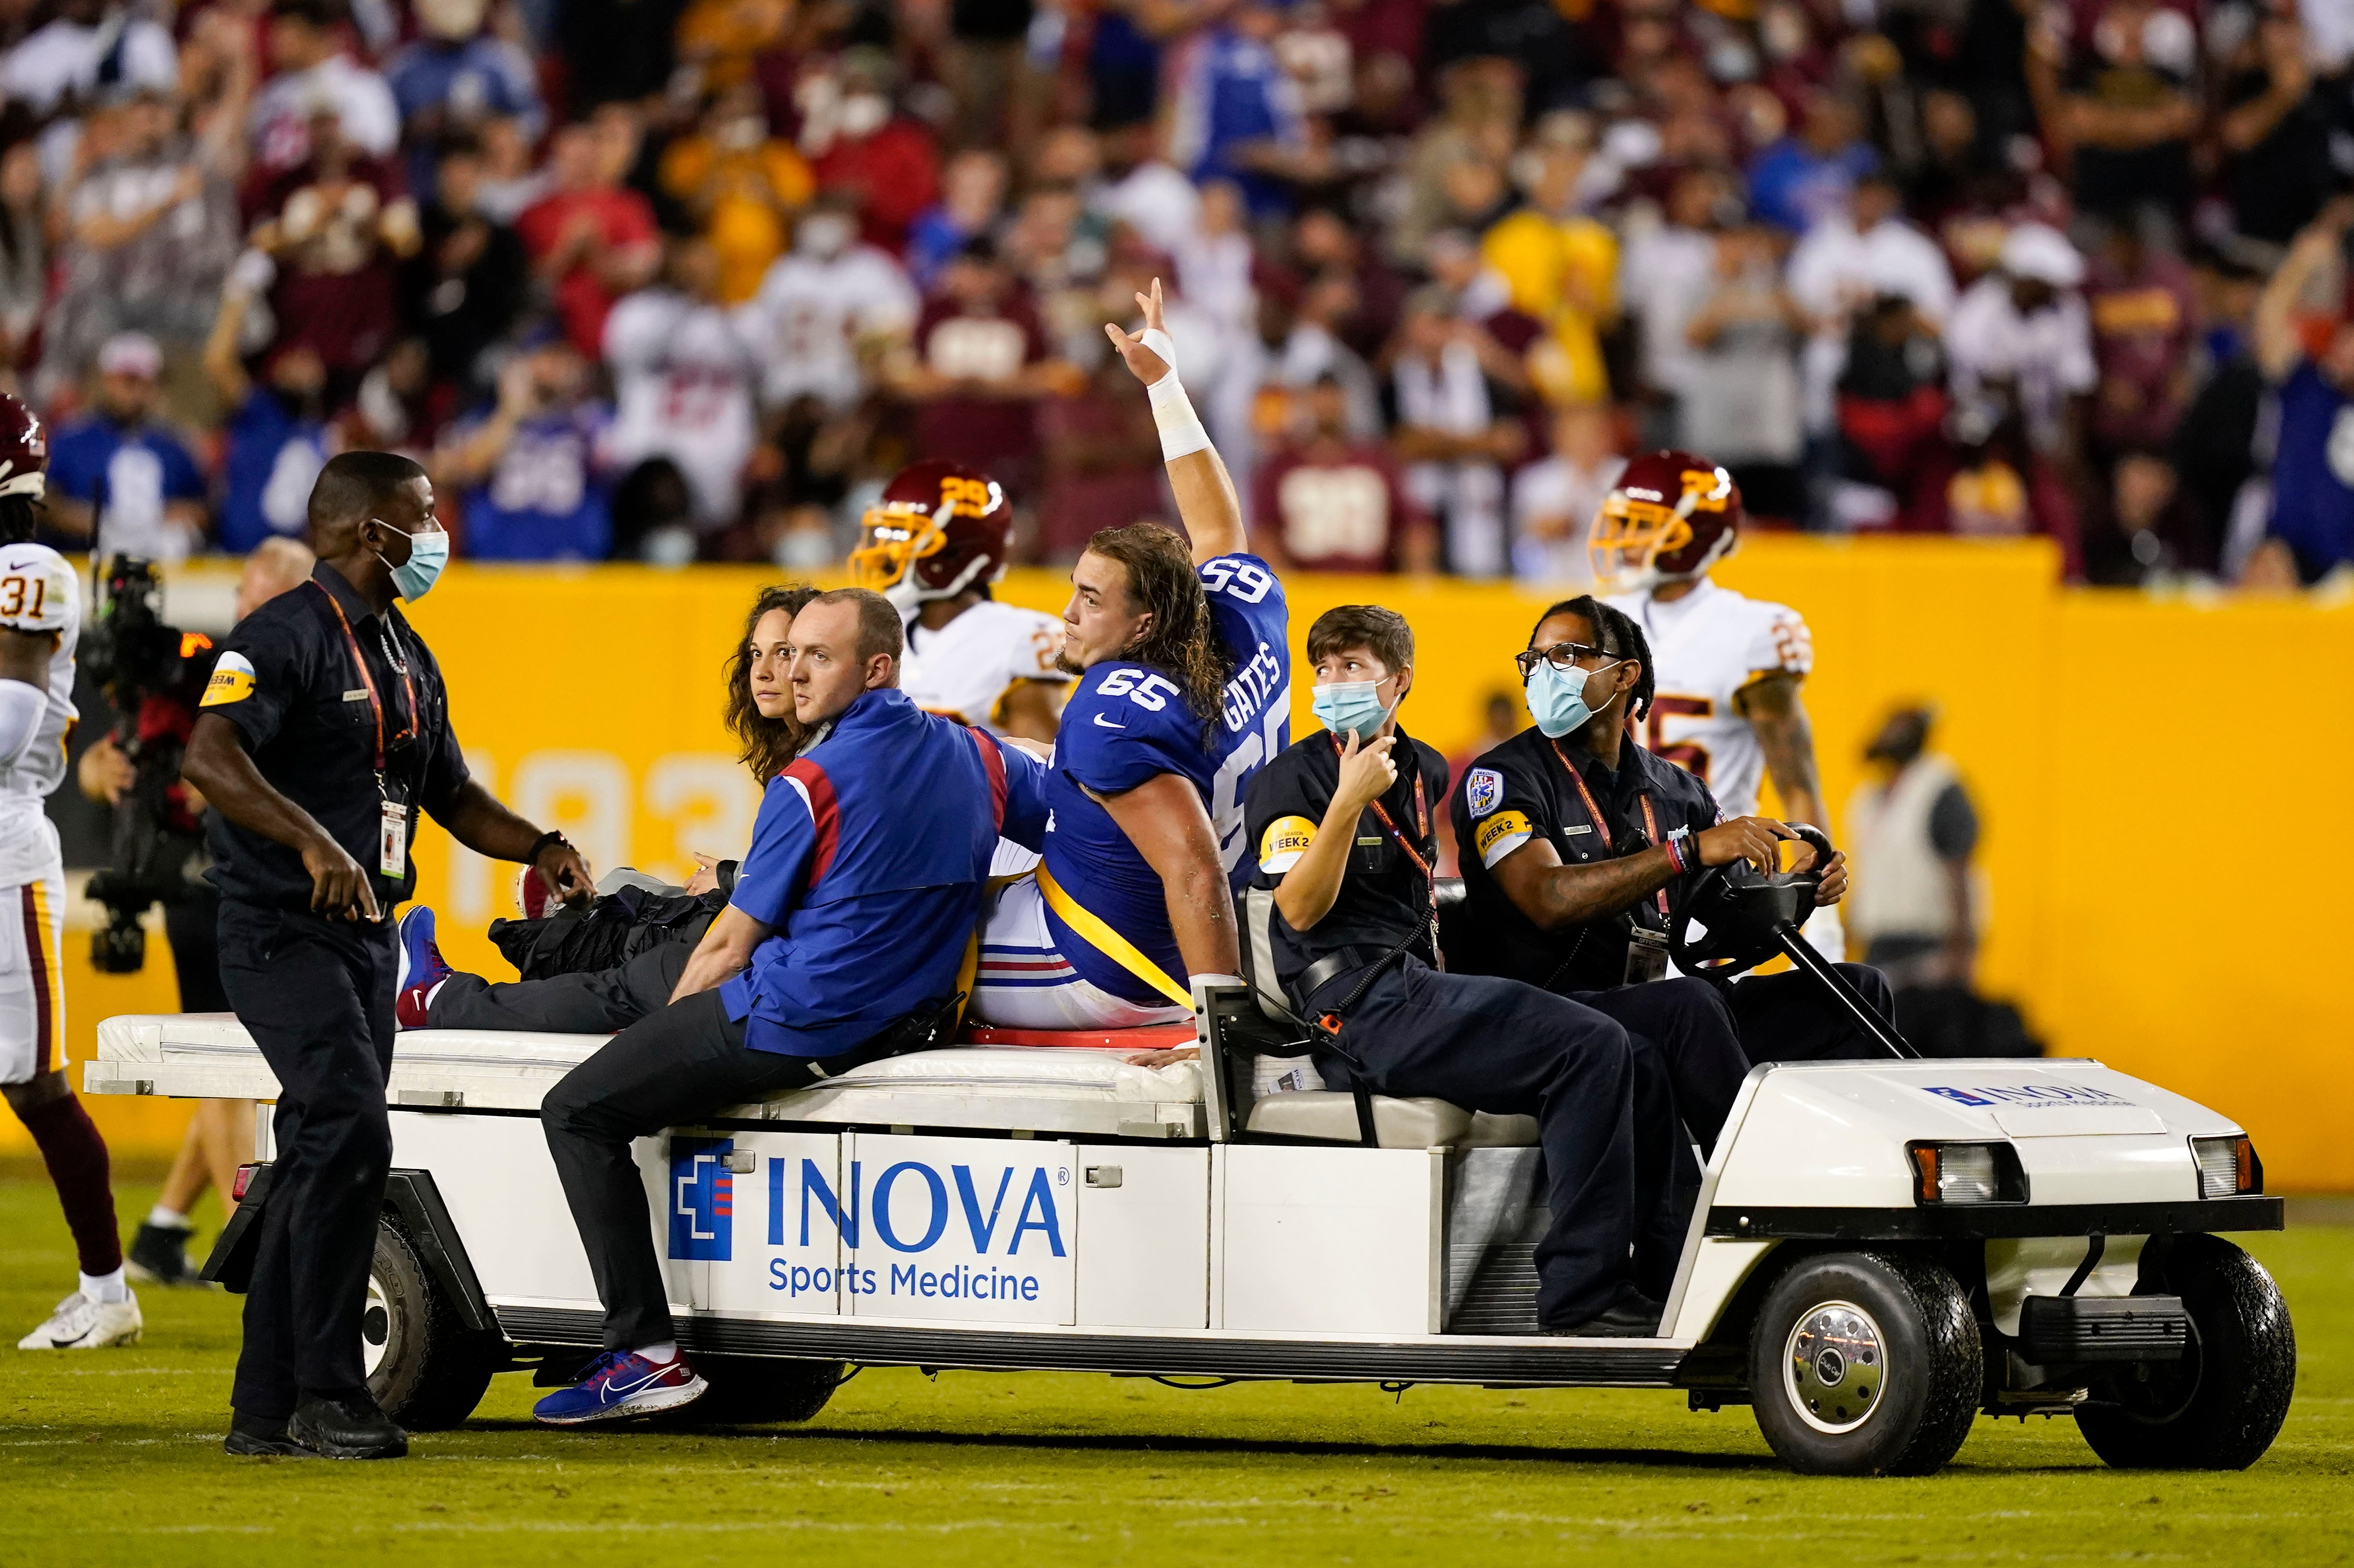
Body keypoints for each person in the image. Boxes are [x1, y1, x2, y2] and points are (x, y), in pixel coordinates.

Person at [527, 589, 1048, 1425]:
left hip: (796, 1017)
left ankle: (645, 1357)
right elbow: (1069, 806)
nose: (794, 672)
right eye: (791, 652)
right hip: (901, 1021)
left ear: (875, 668)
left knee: (577, 1106)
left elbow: (729, 947)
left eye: (818, 656)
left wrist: (657, 1040)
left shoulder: (811, 780)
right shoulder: (976, 755)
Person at [180, 450, 595, 1461]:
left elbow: (450, 794)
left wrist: (537, 843)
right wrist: (311, 841)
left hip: (362, 937)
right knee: (352, 1130)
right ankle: (330, 1391)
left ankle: (262, 1406)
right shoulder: (280, 635)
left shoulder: (405, 648)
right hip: (281, 926)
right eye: (426, 513)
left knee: (323, 1142)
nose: (439, 530)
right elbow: (210, 755)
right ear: (376, 532)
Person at [1243, 604, 1669, 1335]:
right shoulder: (1296, 779)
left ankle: (1667, 1276)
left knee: (1634, 1050)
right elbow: (1301, 911)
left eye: (1352, 667)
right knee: (1590, 1046)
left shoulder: (1426, 767)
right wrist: (1347, 804)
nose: (1331, 683)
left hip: (1413, 991)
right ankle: (1581, 1294)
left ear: (1399, 681)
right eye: (1323, 668)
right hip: (1354, 1006)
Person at [1449, 595, 1889, 1153]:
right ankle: (1756, 1187)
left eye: (1563, 655)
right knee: (1689, 1005)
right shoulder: (1502, 777)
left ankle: (1858, 1170)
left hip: (1645, 1004)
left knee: (1855, 990)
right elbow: (1547, 898)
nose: (1543, 673)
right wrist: (1685, 853)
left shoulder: (1677, 788)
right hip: (1544, 1011)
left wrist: (1801, 886)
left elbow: (1728, 912)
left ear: (1625, 674)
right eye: (1534, 661)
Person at [968, 280, 1285, 1030]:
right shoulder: (1242, 612)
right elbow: (1216, 528)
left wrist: (1219, 1026)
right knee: (977, 753)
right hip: (1207, 885)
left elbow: (1193, 867)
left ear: (1145, 625)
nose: (1068, 616)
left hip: (1118, 959)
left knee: (895, 931)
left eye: (1092, 601)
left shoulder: (1114, 710)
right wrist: (1165, 384)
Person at [395, 584, 820, 1031]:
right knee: (633, 888)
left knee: (629, 971)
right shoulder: (799, 751)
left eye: (785, 652)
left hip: (782, 961)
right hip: (779, 944)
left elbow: (824, 880)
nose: (765, 671)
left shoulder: (828, 759)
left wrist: (736, 876)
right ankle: (573, 926)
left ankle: (440, 997)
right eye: (756, 653)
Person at [103, 537, 318, 1287]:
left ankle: (164, 1228)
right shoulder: (219, 671)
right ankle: (244, 1239)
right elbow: (115, 761)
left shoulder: (287, 667)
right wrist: (113, 774)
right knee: (230, 1068)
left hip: (260, 881)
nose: (242, 616)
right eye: (242, 600)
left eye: (256, 600)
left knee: (237, 1064)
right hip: (209, 883)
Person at [0, 394, 138, 1352]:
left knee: (37, 1084)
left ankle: (108, 1289)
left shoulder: (28, 568)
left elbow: (7, 727)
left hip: (3, 856)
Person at [1596, 452, 1844, 963]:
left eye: (1640, 526)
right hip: (1619, 881)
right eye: (1622, 523)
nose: (1623, 541)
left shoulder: (1749, 633)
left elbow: (1798, 785)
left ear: (1698, 534)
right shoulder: (1601, 620)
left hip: (1711, 885)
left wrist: (1817, 920)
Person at [847, 460, 1071, 744]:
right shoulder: (879, 628)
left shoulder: (1020, 639)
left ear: (955, 553)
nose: (885, 555)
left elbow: (1040, 768)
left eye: (905, 536)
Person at [2243, 200, 2354, 586]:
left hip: (2348, 576)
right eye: (2344, 340)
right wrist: (2305, 258)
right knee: (2266, 566)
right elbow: (2269, 323)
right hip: (2291, 562)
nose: (2346, 349)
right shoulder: (2309, 384)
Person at [43, 333, 208, 561]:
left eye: (145, 382)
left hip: (158, 563)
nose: (135, 393)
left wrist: (180, 515)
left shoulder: (174, 445)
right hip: (83, 562)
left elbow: (202, 507)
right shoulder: (70, 439)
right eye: (128, 381)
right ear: (107, 381)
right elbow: (42, 501)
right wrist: (81, 520)